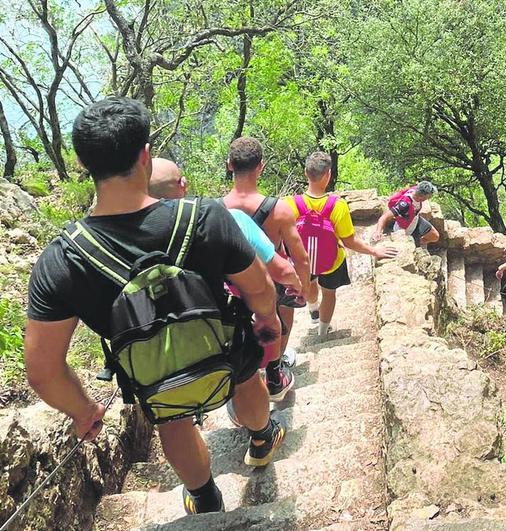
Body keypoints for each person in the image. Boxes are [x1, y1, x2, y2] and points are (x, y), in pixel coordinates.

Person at [25, 97, 284, 515]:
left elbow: (43, 370)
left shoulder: (63, 258)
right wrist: (267, 318)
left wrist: (84, 410)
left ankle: (203, 496)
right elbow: (258, 285)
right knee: (244, 372)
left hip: (153, 374)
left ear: (82, 163)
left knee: (171, 415)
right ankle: (260, 437)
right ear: (146, 155)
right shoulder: (204, 217)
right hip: (223, 347)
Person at [223, 137, 313, 400]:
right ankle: (276, 369)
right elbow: (301, 257)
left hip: (235, 285)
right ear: (260, 167)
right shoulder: (279, 209)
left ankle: (249, 379)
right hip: (274, 281)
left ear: (230, 165)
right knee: (280, 323)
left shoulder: (217, 210)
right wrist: (303, 288)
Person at [285, 151, 398, 337]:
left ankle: (313, 311)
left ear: (306, 172)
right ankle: (322, 332)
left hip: (302, 260)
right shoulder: (337, 205)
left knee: (311, 280)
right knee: (329, 294)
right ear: (328, 175)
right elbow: (349, 241)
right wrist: (374, 251)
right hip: (332, 262)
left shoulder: (290, 204)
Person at [149, 158, 301, 292]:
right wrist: (298, 287)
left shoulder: (128, 234)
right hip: (211, 315)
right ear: (183, 184)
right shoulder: (222, 218)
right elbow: (283, 271)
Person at [372, 181, 440, 247]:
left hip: (415, 219)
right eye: (428, 197)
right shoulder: (404, 205)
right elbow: (384, 217)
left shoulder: (416, 189)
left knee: (435, 236)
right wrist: (378, 232)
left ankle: (419, 242)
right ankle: (416, 244)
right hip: (404, 229)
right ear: (421, 197)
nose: (428, 199)